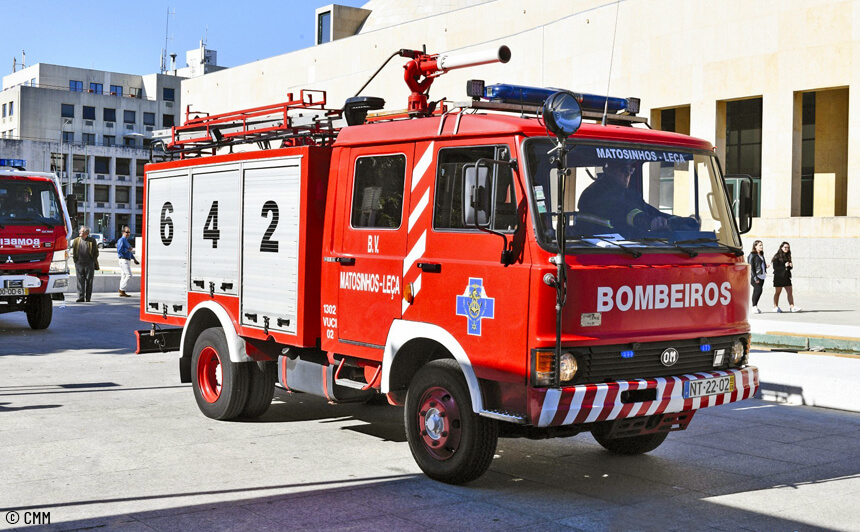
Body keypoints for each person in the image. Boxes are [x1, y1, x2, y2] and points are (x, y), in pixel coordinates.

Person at [577, 161, 671, 235]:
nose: (628, 174)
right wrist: (648, 221)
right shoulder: (595, 192)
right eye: (623, 170)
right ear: (608, 170)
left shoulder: (628, 194)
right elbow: (622, 211)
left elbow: (648, 209)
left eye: (631, 170)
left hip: (624, 248)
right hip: (599, 250)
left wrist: (673, 220)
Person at [70, 226, 99, 303]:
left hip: (89, 264)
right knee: (80, 280)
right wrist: (75, 261)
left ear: (86, 233)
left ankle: (88, 297)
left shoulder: (92, 241)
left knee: (89, 281)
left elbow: (96, 252)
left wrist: (93, 260)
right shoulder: (76, 240)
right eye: (80, 231)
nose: (79, 232)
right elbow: (74, 251)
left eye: (81, 231)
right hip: (79, 263)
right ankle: (80, 297)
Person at [772, 241, 801, 313]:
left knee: (790, 292)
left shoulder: (788, 255)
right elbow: (775, 267)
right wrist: (784, 266)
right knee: (778, 292)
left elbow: (788, 267)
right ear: (781, 247)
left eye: (788, 247)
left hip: (786, 276)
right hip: (778, 277)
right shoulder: (777, 256)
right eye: (785, 247)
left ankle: (792, 307)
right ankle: (775, 306)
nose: (786, 249)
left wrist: (790, 266)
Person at [116, 227, 139, 297]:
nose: (128, 234)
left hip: (127, 260)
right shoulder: (121, 240)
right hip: (123, 260)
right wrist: (127, 249)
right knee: (129, 275)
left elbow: (130, 252)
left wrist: (134, 259)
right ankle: (121, 289)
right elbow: (119, 250)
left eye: (129, 232)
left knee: (123, 276)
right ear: (123, 232)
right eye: (127, 232)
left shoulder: (126, 240)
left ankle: (122, 292)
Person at [747, 240, 767, 314]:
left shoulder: (761, 254)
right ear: (755, 246)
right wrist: (755, 278)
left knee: (757, 291)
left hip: (762, 276)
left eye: (762, 245)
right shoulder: (752, 255)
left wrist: (765, 266)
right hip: (755, 276)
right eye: (760, 245)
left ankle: (755, 306)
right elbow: (751, 267)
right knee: (758, 290)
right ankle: (754, 307)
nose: (761, 246)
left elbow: (760, 264)